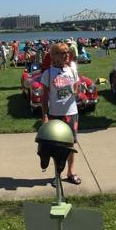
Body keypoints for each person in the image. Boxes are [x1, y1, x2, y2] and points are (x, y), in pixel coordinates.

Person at [39, 42, 83, 185]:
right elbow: (44, 97)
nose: (67, 55)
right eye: (63, 53)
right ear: (53, 56)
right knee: (56, 146)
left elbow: (76, 89)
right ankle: (57, 175)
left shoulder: (72, 70)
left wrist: (77, 90)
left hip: (71, 113)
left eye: (67, 52)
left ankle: (70, 172)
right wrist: (45, 115)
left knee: (71, 144)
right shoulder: (48, 74)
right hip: (55, 114)